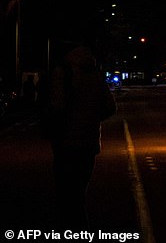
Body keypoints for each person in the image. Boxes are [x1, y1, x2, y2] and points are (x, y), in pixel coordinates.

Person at [47, 43, 116, 229]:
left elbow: (56, 106)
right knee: (79, 192)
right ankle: (81, 229)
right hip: (89, 141)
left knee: (66, 194)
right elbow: (110, 106)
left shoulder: (62, 72)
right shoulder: (95, 74)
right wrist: (91, 117)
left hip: (66, 141)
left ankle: (72, 231)